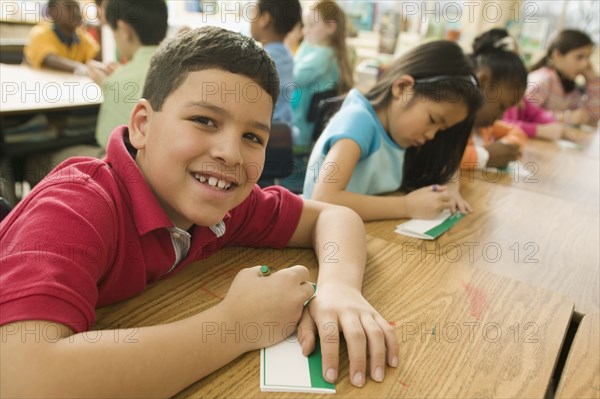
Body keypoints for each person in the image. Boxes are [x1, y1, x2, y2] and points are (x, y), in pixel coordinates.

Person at [0, 27, 398, 397]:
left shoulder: (223, 205)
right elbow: (21, 376)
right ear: (142, 124)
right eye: (204, 120)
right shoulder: (77, 206)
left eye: (252, 137)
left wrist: (338, 288)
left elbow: (335, 216)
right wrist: (234, 327)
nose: (230, 152)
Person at [303, 40, 483, 221]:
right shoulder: (359, 122)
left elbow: (446, 163)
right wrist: (406, 206)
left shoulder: (399, 132)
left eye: (441, 130)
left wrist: (450, 187)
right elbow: (324, 198)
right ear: (403, 88)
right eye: (433, 120)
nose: (431, 135)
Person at [87, 0, 168, 149]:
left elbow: (106, 141)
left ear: (124, 30)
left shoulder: (115, 81)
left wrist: (108, 84)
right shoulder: (177, 67)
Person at [461, 29, 528, 170]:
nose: (502, 116)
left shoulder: (483, 127)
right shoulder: (452, 122)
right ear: (482, 82)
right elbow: (442, 158)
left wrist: (506, 147)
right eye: (502, 106)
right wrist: (486, 156)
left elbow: (517, 132)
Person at [291, 0, 354, 151]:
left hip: (300, 134)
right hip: (308, 132)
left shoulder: (322, 57)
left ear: (331, 27)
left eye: (311, 25)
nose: (305, 31)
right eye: (304, 25)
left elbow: (292, 76)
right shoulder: (330, 52)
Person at [527, 29, 599, 127]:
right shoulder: (542, 80)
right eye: (579, 57)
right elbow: (524, 115)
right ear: (557, 55)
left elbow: (592, 117)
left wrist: (593, 81)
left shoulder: (570, 87)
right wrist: (566, 117)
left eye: (587, 58)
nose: (585, 64)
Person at [249, 0, 301, 129]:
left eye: (253, 12)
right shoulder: (287, 55)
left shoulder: (259, 61)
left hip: (268, 135)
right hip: (285, 132)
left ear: (264, 19)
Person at [23, 0, 99, 75]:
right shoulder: (40, 33)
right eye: (69, 8)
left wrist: (101, 27)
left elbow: (96, 57)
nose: (76, 13)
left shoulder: (82, 37)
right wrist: (81, 67)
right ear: (53, 12)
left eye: (77, 8)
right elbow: (49, 60)